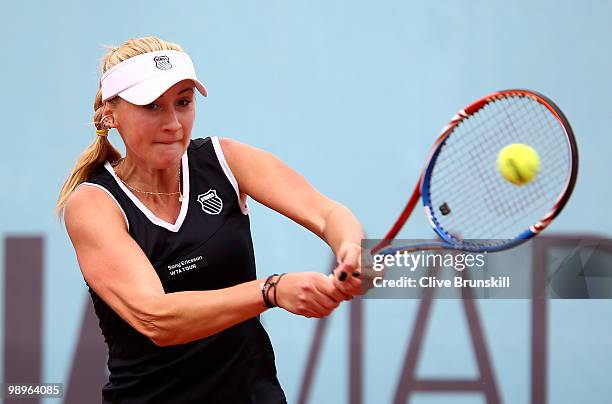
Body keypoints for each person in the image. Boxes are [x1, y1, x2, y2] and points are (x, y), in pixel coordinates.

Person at [56, 36, 364, 403]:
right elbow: (157, 318)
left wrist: (349, 248)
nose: (172, 123)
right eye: (152, 106)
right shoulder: (93, 204)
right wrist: (272, 290)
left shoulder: (225, 159)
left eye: (183, 102)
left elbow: (329, 214)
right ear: (111, 114)